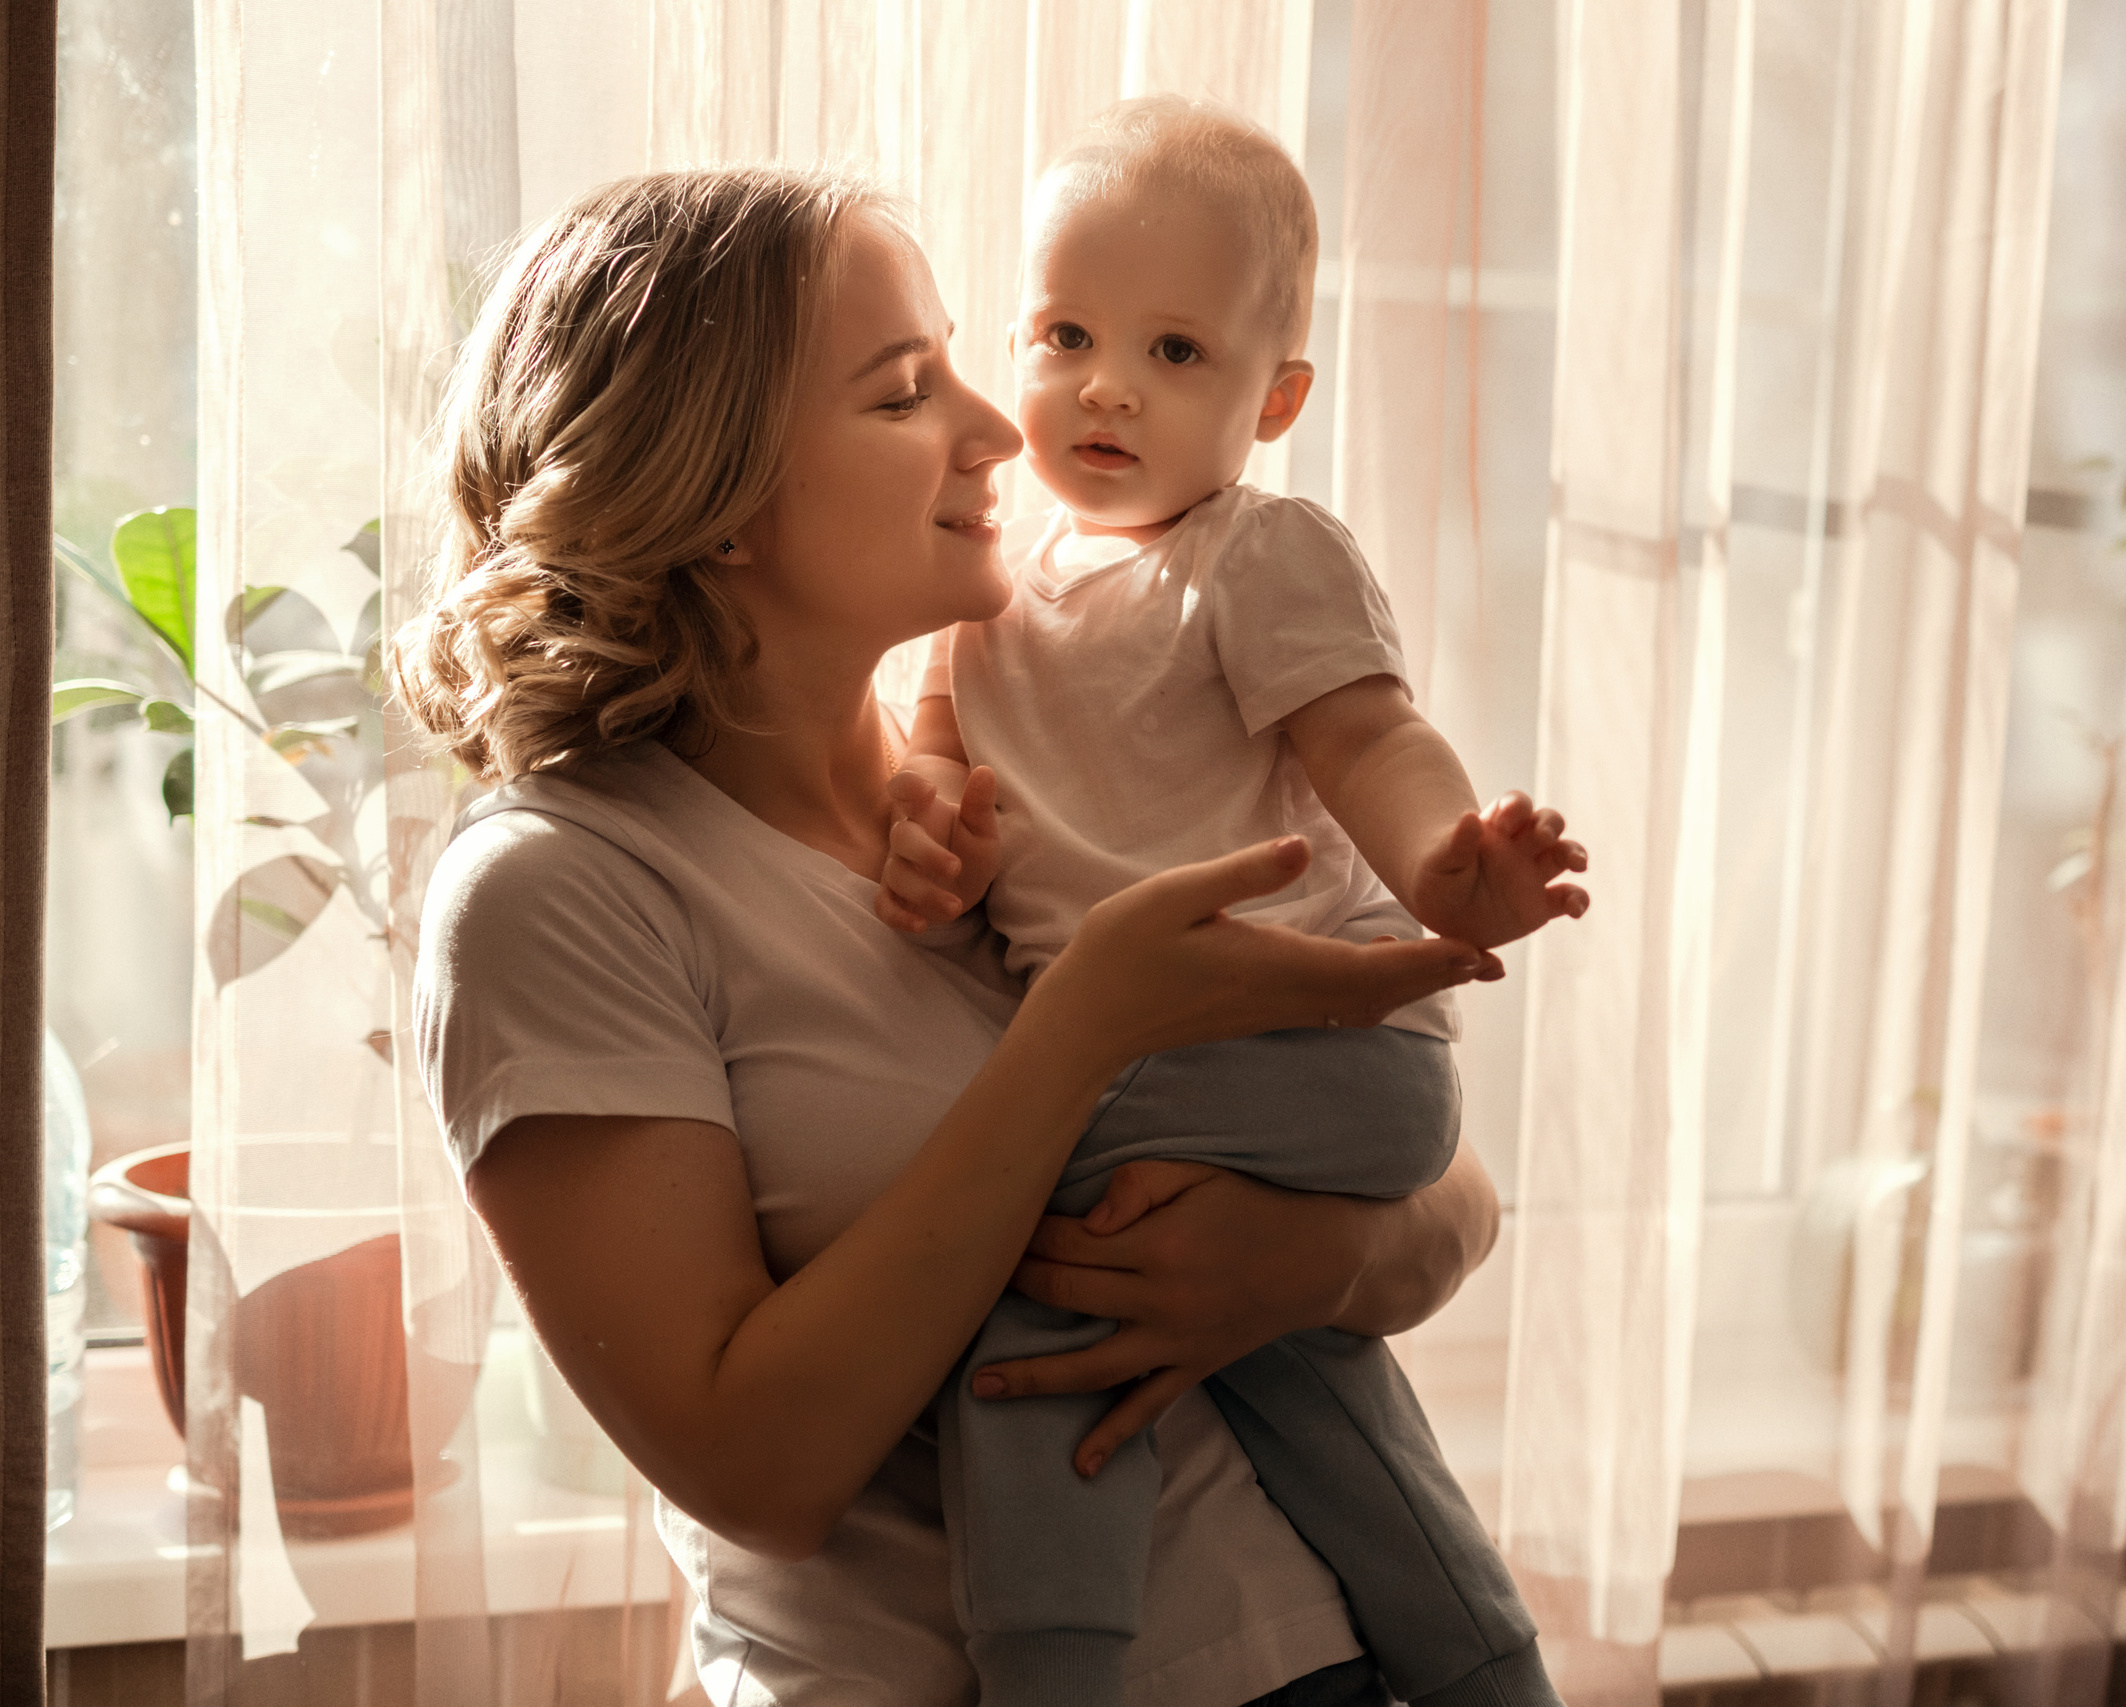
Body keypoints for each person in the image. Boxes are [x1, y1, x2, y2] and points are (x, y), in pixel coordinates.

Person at [389, 164, 1514, 1707]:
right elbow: (756, 1466)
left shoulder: (1030, 768)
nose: (1005, 431)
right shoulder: (558, 892)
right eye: (907, 393)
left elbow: (1444, 1187)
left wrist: (1313, 1262)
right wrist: (1081, 1031)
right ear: (715, 503)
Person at [879, 98, 1581, 1707]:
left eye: (1177, 353)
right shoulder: (989, 605)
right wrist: (936, 833)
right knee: (1283, 1354)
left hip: (1317, 1051)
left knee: (1039, 1245)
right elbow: (938, 773)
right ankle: (1478, 1656)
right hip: (1180, 1077)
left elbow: (1371, 736)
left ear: (1276, 402)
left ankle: (1048, 1666)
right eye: (1066, 334)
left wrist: (1443, 865)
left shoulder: (1252, 558)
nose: (1106, 384)